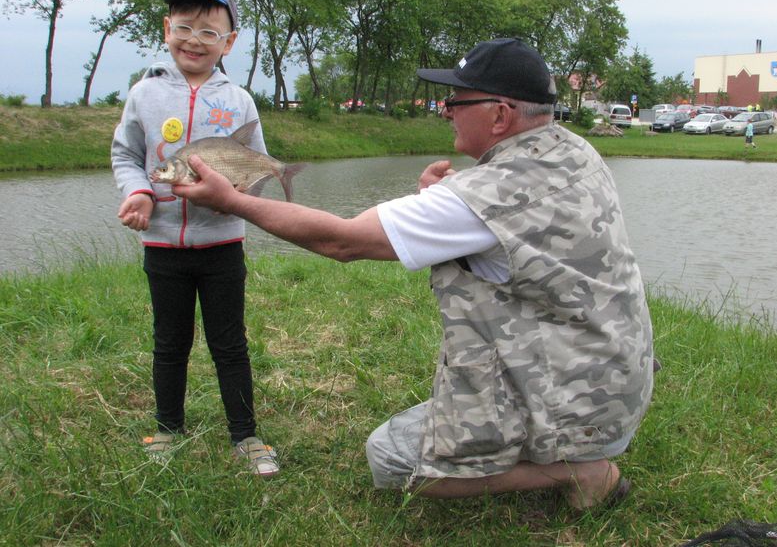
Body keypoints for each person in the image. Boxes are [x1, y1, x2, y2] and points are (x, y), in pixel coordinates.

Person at [172, 37, 654, 508]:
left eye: (456, 100)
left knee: (393, 458)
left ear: (500, 114)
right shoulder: (571, 151)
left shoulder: (482, 197)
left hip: (580, 401)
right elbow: (503, 212)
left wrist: (233, 201)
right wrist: (441, 201)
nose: (445, 109)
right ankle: (577, 445)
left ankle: (584, 470)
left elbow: (342, 240)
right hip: (613, 380)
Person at [111, 0, 279, 477]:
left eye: (209, 32)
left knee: (230, 343)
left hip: (222, 244)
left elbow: (255, 167)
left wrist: (239, 198)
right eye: (183, 27)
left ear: (228, 42)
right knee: (170, 341)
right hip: (162, 245)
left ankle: (245, 435)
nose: (194, 40)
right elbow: (125, 155)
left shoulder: (241, 100)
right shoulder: (144, 93)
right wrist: (138, 192)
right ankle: (167, 428)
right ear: (167, 30)